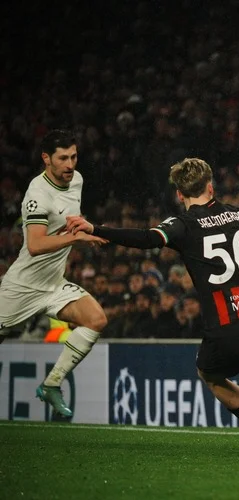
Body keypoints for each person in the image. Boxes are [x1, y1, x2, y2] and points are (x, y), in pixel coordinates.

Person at [66, 158, 239, 451]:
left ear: (179, 194)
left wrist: (97, 228)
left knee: (209, 374)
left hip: (228, 325)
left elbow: (147, 239)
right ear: (211, 187)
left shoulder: (182, 224)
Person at [0, 130, 109, 420]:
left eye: (73, 156)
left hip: (53, 284)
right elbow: (35, 245)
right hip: (23, 286)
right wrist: (77, 239)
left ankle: (51, 384)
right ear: (46, 159)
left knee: (96, 319)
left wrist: (87, 228)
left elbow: (70, 218)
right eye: (63, 158)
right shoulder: (37, 194)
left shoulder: (77, 180)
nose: (70, 164)